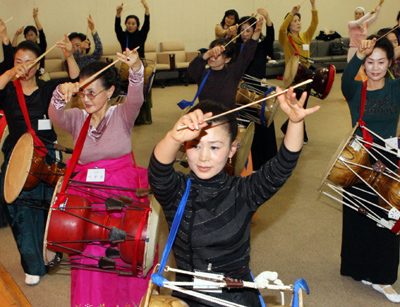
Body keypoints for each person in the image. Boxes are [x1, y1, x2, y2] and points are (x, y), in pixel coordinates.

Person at [148, 87, 319, 306]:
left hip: (236, 297)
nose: (203, 156)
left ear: (232, 150)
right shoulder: (177, 191)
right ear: (185, 146)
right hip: (188, 297)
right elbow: (158, 171)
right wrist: (173, 136)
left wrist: (295, 123)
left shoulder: (244, 192)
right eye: (195, 145)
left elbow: (282, 166)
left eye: (215, 147)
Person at [48, 49, 152, 307]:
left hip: (120, 191)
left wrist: (136, 68)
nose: (86, 98)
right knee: (88, 249)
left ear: (110, 91)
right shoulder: (77, 118)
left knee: (123, 247)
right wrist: (60, 94)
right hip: (85, 195)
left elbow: (137, 98)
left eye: (93, 92)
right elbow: (55, 115)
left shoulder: (122, 114)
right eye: (83, 92)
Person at [0, 35, 79, 286]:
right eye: (18, 61)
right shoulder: (8, 91)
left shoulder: (47, 88)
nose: (23, 66)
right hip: (16, 155)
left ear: (38, 65)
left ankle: (52, 252)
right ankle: (32, 263)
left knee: (50, 207)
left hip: (46, 153)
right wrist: (11, 71)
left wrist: (68, 55)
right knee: (18, 210)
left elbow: (76, 80)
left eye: (28, 62)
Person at [341, 37, 400, 303]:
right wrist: (357, 56)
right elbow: (345, 79)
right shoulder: (356, 90)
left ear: (390, 64)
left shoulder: (396, 89)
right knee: (358, 216)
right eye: (370, 62)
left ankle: (384, 278)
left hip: (387, 158)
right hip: (359, 158)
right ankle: (360, 268)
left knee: (388, 218)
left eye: (381, 62)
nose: (375, 68)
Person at [187, 17, 262, 109]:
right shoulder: (202, 73)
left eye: (218, 54)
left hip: (226, 119)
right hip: (206, 118)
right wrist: (207, 54)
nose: (213, 57)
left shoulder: (233, 73)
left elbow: (246, 55)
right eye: (212, 52)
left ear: (227, 59)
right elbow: (192, 69)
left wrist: (256, 34)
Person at [236, 8, 277, 170]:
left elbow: (271, 35)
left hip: (259, 92)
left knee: (262, 127)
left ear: (254, 31)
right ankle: (247, 162)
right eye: (242, 30)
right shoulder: (238, 48)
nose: (245, 33)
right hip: (241, 92)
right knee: (246, 128)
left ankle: (266, 161)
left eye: (248, 30)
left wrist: (267, 17)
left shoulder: (262, 46)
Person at [279, 0, 318, 144]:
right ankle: (301, 134)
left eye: (299, 20)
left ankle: (287, 127)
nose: (298, 22)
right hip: (295, 78)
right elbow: (281, 30)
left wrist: (313, 6)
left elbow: (314, 23)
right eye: (294, 21)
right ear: (289, 24)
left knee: (302, 106)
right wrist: (292, 13)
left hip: (306, 76)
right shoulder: (286, 39)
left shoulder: (305, 37)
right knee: (300, 106)